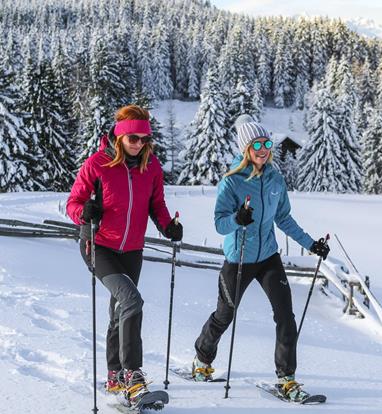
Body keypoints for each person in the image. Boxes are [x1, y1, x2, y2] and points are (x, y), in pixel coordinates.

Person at [192, 115, 329, 402]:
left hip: (268, 256)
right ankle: (202, 361)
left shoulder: (275, 178)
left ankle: (287, 379)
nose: (264, 149)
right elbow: (219, 223)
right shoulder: (231, 182)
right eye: (257, 144)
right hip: (238, 258)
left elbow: (283, 218)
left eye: (267, 143)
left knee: (285, 316)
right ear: (246, 149)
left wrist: (310, 244)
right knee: (224, 315)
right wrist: (237, 219)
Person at [66, 104, 183, 405]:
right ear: (119, 137)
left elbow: (156, 205)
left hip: (132, 249)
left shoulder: (151, 166)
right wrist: (85, 212)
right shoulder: (97, 164)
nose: (139, 144)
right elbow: (73, 203)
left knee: (121, 310)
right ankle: (133, 375)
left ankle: (114, 375)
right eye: (133, 139)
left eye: (144, 139)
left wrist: (168, 225)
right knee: (132, 300)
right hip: (98, 246)